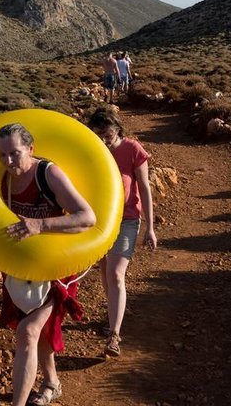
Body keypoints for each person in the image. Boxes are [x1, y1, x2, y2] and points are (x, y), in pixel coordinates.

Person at [0, 123, 96, 406]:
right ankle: (52, 381)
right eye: (2, 155)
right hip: (21, 267)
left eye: (15, 153)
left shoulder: (47, 174)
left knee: (28, 331)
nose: (8, 161)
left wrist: (41, 224)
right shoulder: (1, 177)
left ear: (30, 148)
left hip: (56, 268)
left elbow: (87, 217)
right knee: (36, 332)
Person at [86, 107, 157, 357]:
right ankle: (111, 316)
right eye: (97, 134)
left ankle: (114, 335)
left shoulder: (133, 149)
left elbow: (145, 188)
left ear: (116, 128)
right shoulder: (93, 151)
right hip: (100, 222)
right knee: (106, 275)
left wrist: (150, 227)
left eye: (106, 132)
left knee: (116, 275)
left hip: (126, 220)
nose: (102, 138)